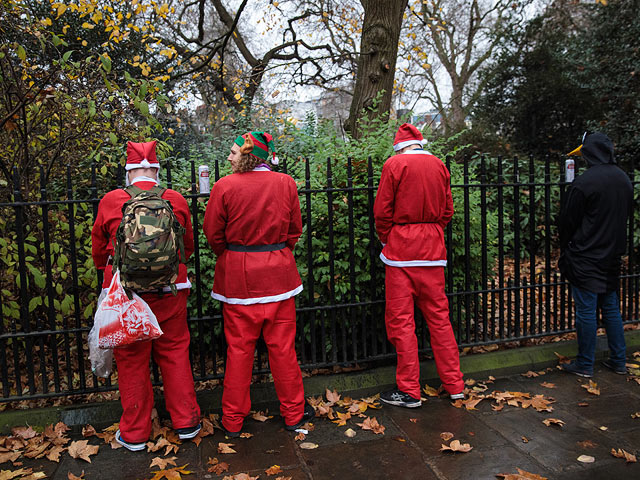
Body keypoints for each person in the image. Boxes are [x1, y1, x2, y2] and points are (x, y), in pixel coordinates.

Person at [91, 141, 201, 451]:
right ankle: (187, 423)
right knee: (175, 352)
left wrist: (107, 272)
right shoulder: (175, 200)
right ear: (155, 170)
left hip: (127, 294)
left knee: (131, 361)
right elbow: (187, 246)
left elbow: (100, 248)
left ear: (129, 173)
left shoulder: (111, 201)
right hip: (171, 290)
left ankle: (135, 434)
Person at [203, 131, 314, 436]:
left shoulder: (224, 186)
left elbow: (213, 233)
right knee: (283, 350)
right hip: (279, 276)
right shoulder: (286, 183)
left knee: (239, 351)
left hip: (238, 279)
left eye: (234, 151)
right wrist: (276, 252)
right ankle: (293, 414)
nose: (229, 156)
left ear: (249, 156)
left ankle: (233, 420)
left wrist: (233, 256)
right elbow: (295, 229)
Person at [373, 123, 465, 408]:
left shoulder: (394, 164)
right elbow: (447, 210)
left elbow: (382, 210)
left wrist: (388, 237)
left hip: (402, 251)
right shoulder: (439, 165)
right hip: (433, 249)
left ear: (398, 145)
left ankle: (410, 391)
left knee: (402, 322)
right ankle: (455, 385)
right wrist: (433, 231)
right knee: (439, 319)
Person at [558, 131, 632, 378]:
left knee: (586, 310)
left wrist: (568, 245)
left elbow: (568, 220)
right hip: (612, 253)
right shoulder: (623, 179)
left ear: (589, 153)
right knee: (611, 307)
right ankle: (619, 360)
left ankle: (585, 363)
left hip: (586, 255)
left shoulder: (584, 182)